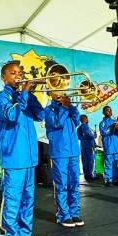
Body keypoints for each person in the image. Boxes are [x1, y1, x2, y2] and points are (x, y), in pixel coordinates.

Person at [0, 62, 45, 236]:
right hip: (14, 158)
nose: (18, 76)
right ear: (3, 78)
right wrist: (23, 93)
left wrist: (30, 93)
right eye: (13, 73)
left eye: (20, 73)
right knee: (13, 201)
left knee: (27, 201)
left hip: (29, 158)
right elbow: (13, 116)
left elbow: (40, 114)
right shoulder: (3, 97)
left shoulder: (24, 97)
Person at [45, 93, 83, 227]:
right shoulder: (49, 110)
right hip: (59, 152)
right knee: (62, 185)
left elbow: (77, 121)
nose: (61, 94)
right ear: (51, 94)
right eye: (57, 91)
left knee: (74, 183)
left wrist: (71, 106)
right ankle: (63, 215)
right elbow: (57, 123)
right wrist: (64, 108)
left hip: (73, 151)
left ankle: (74, 213)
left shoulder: (68, 108)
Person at [99, 106, 118, 187]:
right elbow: (104, 133)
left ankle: (115, 179)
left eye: (110, 110)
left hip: (115, 146)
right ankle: (108, 180)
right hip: (108, 146)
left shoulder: (115, 121)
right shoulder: (102, 123)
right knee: (108, 163)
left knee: (115, 163)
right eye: (107, 110)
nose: (110, 112)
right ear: (103, 112)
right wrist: (112, 127)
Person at [77, 114, 97, 181]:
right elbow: (88, 135)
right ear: (85, 119)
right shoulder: (85, 127)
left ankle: (86, 175)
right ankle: (91, 175)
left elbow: (78, 137)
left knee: (85, 161)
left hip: (83, 146)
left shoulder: (79, 128)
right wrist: (94, 136)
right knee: (92, 160)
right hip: (90, 145)